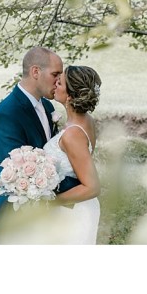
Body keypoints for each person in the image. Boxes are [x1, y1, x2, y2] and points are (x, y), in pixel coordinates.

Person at [0, 47, 79, 236]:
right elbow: (18, 175)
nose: (59, 81)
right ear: (35, 72)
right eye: (55, 74)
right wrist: (79, 189)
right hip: (11, 217)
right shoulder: (7, 114)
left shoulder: (47, 105)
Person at [43, 65, 103, 244]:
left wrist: (52, 202)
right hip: (76, 207)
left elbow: (92, 187)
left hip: (73, 211)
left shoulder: (73, 135)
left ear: (69, 95)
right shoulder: (86, 120)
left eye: (59, 82)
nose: (55, 83)